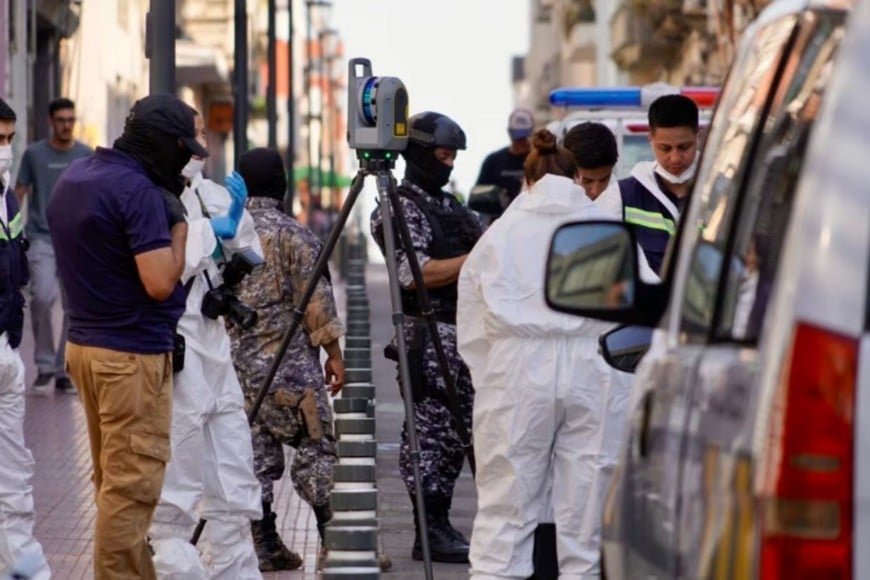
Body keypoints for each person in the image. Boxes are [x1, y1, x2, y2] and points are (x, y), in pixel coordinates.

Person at [457, 128, 637, 579]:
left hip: (516, 367)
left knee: (506, 509)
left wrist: (491, 376)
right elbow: (634, 309)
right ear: (576, 176)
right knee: (586, 514)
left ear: (529, 179)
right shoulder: (606, 229)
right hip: (593, 368)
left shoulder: (500, 235)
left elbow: (472, 320)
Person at [47, 93, 203, 579]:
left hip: (84, 348)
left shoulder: (76, 178)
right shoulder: (137, 192)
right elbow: (159, 282)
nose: (187, 161)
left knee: (113, 486)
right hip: (130, 358)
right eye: (185, 149)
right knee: (131, 491)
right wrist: (180, 228)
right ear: (163, 144)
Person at [147, 111, 263, 579]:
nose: (202, 145)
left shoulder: (209, 194)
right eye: (193, 135)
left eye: (202, 134)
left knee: (235, 480)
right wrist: (207, 236)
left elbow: (247, 243)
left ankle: (237, 571)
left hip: (216, 349)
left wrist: (230, 228)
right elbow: (163, 267)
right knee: (176, 492)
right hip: (181, 348)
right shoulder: (150, 198)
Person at [370, 111, 482, 564]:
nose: (449, 163)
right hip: (428, 335)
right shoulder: (398, 207)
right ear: (417, 153)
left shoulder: (451, 207)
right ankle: (427, 528)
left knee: (458, 434)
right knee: (430, 434)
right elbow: (411, 274)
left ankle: (440, 522)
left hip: (465, 333)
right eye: (441, 154)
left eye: (453, 156)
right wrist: (476, 259)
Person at [228, 147, 345, 571]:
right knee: (315, 447)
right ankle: (334, 542)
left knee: (253, 458)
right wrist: (334, 355)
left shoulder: (226, 234)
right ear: (279, 183)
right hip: (290, 370)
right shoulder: (294, 235)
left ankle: (266, 544)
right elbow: (317, 302)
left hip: (236, 372)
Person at [0, 98, 51, 580]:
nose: (6, 148)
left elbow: (13, 259)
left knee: (14, 469)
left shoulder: (7, 196)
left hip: (6, 345)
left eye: (10, 138)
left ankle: (19, 563)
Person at [15, 98, 92, 394]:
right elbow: (18, 193)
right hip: (42, 238)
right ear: (51, 121)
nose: (66, 125)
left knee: (75, 306)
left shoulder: (85, 155)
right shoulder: (34, 154)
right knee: (43, 298)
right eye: (61, 119)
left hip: (76, 241)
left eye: (71, 119)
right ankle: (45, 365)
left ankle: (64, 369)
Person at [618, 94, 700, 274]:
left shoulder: (724, 192)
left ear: (697, 137)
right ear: (650, 140)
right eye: (665, 148)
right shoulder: (623, 196)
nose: (675, 158)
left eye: (684, 147)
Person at [474, 107, 535, 203]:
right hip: (500, 216)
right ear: (509, 133)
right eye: (517, 138)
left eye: (524, 138)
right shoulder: (493, 161)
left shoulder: (539, 161)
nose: (521, 142)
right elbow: (478, 195)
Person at [563, 121, 623, 216]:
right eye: (587, 181)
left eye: (604, 180)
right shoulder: (552, 204)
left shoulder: (623, 203)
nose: (596, 191)